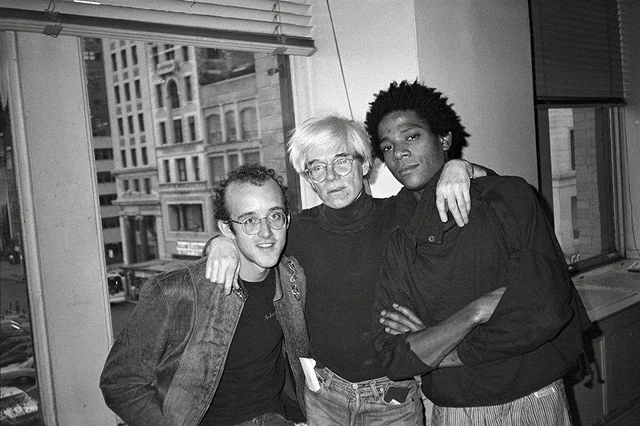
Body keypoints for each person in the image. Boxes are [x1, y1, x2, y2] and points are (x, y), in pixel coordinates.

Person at [206, 115, 504, 426]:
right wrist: (220, 243)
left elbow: (495, 195)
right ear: (308, 178)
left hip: (392, 395)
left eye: (341, 162)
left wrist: (461, 168)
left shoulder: (401, 213)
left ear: (364, 165)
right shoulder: (296, 231)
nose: (331, 177)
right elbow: (252, 240)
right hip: (323, 395)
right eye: (317, 168)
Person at [365, 80, 592, 425]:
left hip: (531, 398)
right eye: (387, 146)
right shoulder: (398, 233)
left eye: (411, 136)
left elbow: (542, 313)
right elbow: (394, 357)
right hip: (453, 409)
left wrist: (436, 343)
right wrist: (475, 312)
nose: (399, 153)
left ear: (443, 139)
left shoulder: (507, 198)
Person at [100, 164, 310, 426]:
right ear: (227, 229)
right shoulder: (175, 292)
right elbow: (119, 382)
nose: (266, 232)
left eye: (275, 216)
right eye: (249, 221)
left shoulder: (292, 277)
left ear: (287, 220)